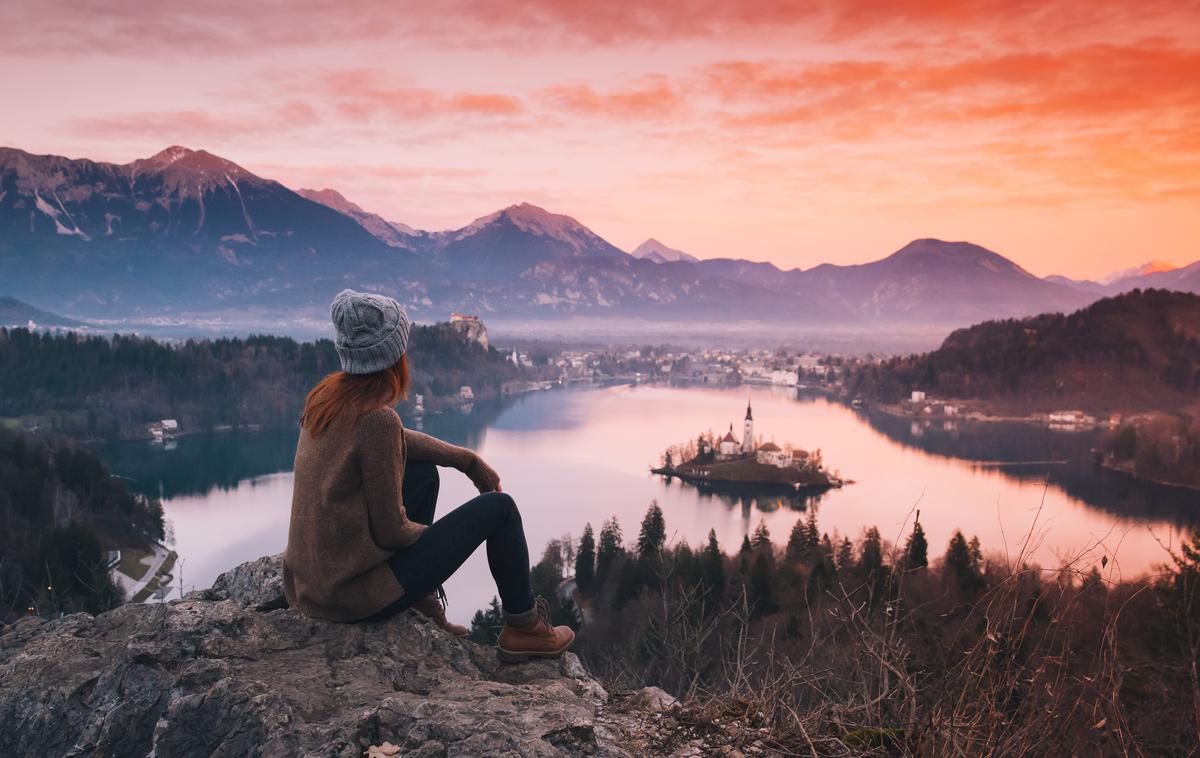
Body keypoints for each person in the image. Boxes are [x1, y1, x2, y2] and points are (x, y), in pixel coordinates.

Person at [282, 289, 574, 662]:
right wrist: (445, 542)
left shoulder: (326, 399)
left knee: (423, 473)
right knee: (499, 508)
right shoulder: (376, 418)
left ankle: (420, 601)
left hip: (311, 585)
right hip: (350, 596)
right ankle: (524, 627)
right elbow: (391, 531)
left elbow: (398, 442)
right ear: (393, 356)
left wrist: (466, 460)